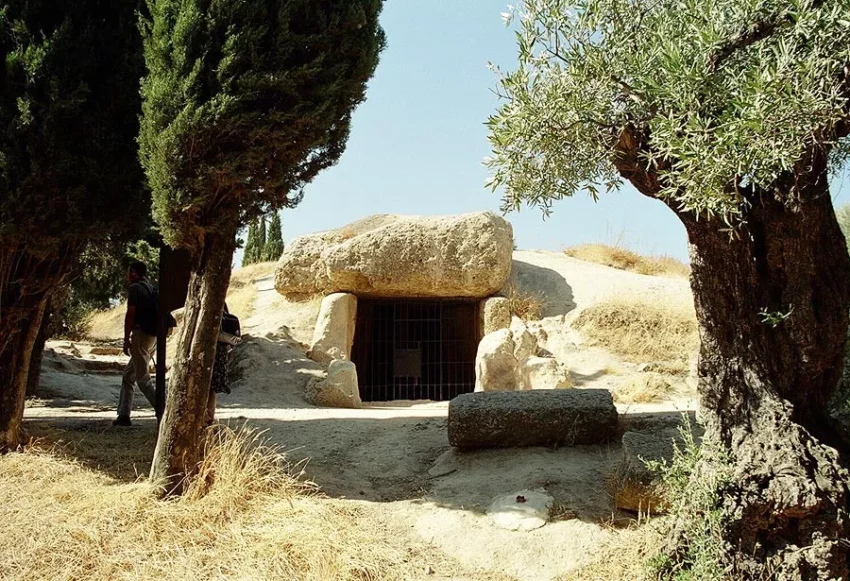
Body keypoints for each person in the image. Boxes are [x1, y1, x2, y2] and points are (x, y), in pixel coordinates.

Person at [113, 261, 158, 426]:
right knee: (128, 376)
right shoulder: (151, 288)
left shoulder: (134, 289)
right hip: (153, 336)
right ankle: (123, 415)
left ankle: (164, 410)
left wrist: (126, 339)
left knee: (142, 379)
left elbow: (130, 314)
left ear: (133, 272)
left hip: (141, 335)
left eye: (129, 272)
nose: (127, 275)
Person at [206, 303, 241, 425]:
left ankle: (206, 418)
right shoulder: (221, 304)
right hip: (221, 350)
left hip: (209, 350)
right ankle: (210, 418)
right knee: (212, 389)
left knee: (207, 387)